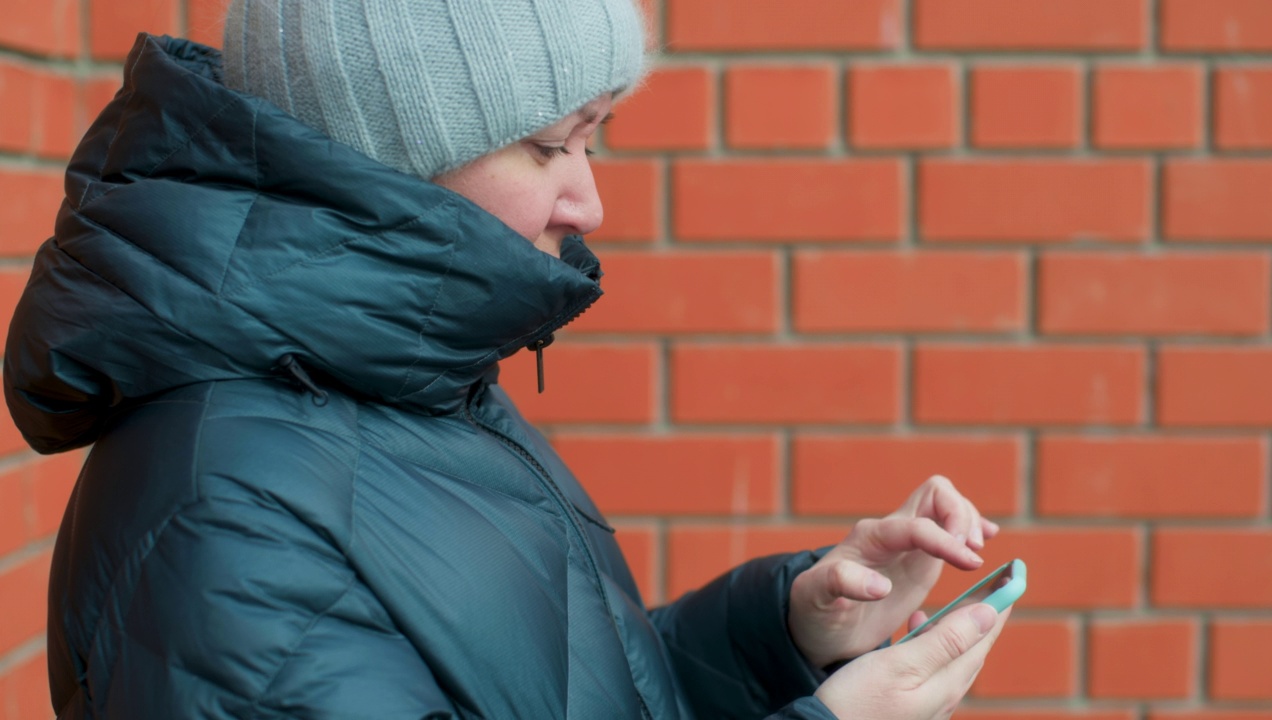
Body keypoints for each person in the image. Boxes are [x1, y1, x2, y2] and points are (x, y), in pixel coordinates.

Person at [3, 1, 1009, 718]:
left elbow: (554, 688)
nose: (588, 203)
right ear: (386, 147)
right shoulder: (223, 519)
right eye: (547, 145)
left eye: (592, 138)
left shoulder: (400, 387)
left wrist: (782, 635)